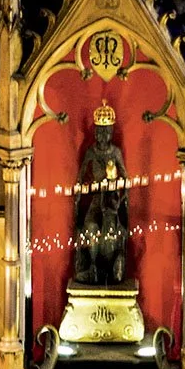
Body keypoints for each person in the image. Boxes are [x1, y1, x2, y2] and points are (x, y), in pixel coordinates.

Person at [73, 100, 128, 284]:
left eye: (106, 131)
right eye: (99, 131)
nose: (102, 135)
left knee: (111, 230)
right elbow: (80, 176)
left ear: (111, 132)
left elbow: (126, 178)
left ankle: (112, 264)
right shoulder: (91, 152)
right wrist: (79, 192)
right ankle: (93, 265)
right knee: (90, 226)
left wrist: (120, 195)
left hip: (112, 200)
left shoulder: (116, 152)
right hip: (97, 199)